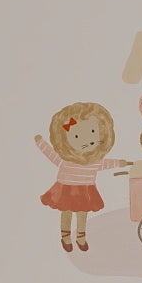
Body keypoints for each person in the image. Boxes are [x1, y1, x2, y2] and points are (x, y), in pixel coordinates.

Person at [38, 101, 114, 256]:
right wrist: (40, 142)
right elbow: (51, 154)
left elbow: (106, 164)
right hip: (66, 188)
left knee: (82, 213)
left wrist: (123, 163)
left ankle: (81, 237)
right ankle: (65, 237)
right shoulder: (65, 161)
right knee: (66, 212)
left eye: (93, 132)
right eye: (77, 136)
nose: (88, 140)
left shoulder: (93, 162)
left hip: (85, 190)